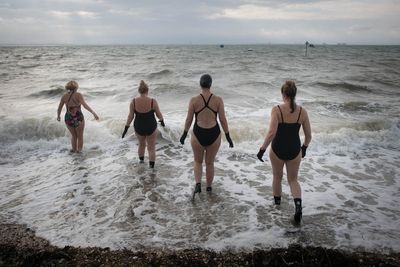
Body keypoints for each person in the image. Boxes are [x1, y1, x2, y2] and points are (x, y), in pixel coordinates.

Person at [257, 80, 311, 224]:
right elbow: (308, 136)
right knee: (293, 180)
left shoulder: (277, 110)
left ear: (283, 94)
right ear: (294, 94)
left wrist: (262, 149)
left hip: (277, 150)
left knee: (277, 177)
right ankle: (298, 207)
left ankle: (277, 208)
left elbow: (271, 133)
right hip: (294, 150)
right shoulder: (302, 112)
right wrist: (303, 149)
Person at [180, 74, 234, 198]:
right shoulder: (218, 100)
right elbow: (223, 120)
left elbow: (189, 119)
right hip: (214, 134)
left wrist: (184, 134)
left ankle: (198, 184)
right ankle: (209, 188)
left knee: (198, 161)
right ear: (210, 85)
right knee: (210, 163)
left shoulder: (193, 100)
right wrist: (228, 137)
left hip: (198, 133)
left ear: (200, 84)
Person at [122, 80, 164, 168]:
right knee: (151, 147)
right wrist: (162, 121)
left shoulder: (133, 102)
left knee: (141, 144)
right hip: (151, 126)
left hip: (139, 126)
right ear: (147, 91)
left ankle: (141, 162)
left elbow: (130, 116)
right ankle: (151, 168)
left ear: (139, 91)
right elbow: (158, 114)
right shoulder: (153, 101)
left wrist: (126, 127)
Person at [57, 81, 99, 153]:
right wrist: (93, 113)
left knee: (74, 136)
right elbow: (85, 105)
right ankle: (79, 152)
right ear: (76, 87)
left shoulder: (64, 96)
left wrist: (58, 116)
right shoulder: (78, 95)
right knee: (80, 136)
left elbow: (59, 108)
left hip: (68, 118)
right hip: (78, 117)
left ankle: (74, 150)